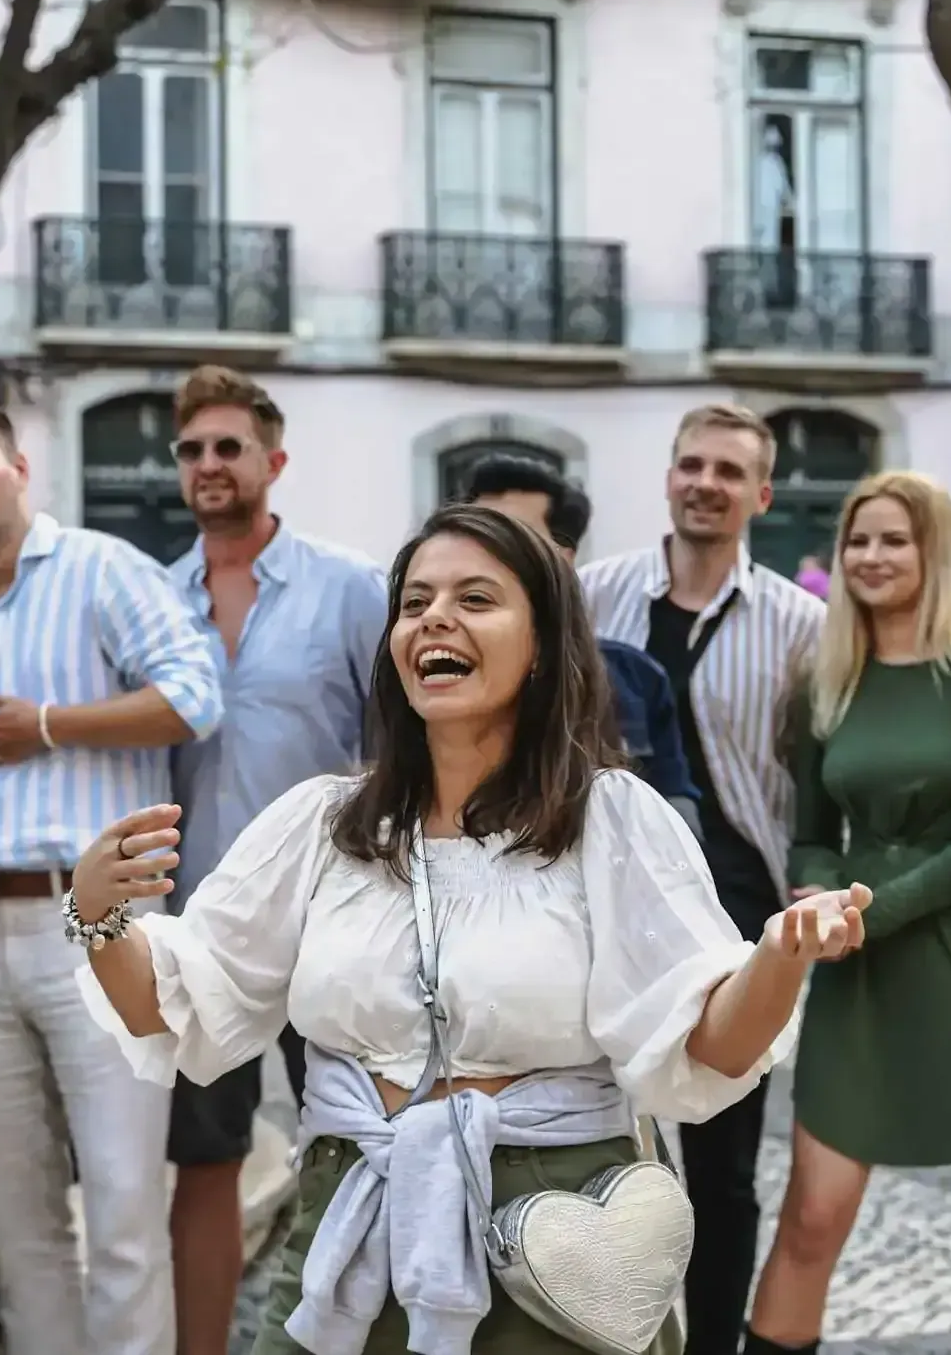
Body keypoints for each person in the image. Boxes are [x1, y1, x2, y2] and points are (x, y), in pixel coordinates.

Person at [73, 504, 869, 1354]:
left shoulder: (611, 819)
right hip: (348, 1228)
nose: (435, 619)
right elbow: (171, 1004)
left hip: (551, 1237)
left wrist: (778, 958)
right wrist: (98, 915)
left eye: (475, 599)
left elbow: (708, 1042)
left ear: (542, 645)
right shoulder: (324, 824)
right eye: (415, 603)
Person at [0, 391, 223, 1355]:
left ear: (16, 467)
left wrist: (48, 725)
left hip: (104, 927)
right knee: (14, 1218)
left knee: (123, 1206)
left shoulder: (103, 570)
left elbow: (195, 696)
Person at [746, 472, 951, 1355]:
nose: (871, 557)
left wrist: (869, 913)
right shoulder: (827, 674)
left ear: (934, 549)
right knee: (813, 1213)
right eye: (858, 541)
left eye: (894, 540)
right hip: (858, 972)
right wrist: (816, 892)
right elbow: (809, 835)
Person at [579, 403, 826, 1355]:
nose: (705, 484)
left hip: (735, 916)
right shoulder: (593, 596)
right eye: (692, 465)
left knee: (722, 1170)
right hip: (599, 905)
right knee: (594, 1148)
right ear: (669, 477)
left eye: (729, 471)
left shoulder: (801, 624)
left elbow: (815, 772)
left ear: (760, 495)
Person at [162, 364, 386, 1355]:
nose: (208, 464)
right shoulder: (153, 597)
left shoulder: (350, 588)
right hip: (201, 930)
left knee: (355, 1149)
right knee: (203, 1159)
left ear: (274, 460)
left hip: (331, 918)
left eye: (228, 446)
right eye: (190, 450)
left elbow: (397, 744)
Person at [465, 451, 699, 830]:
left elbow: (676, 817)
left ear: (563, 556)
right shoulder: (434, 674)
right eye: (473, 534)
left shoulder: (635, 679)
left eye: (511, 536)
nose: (485, 552)